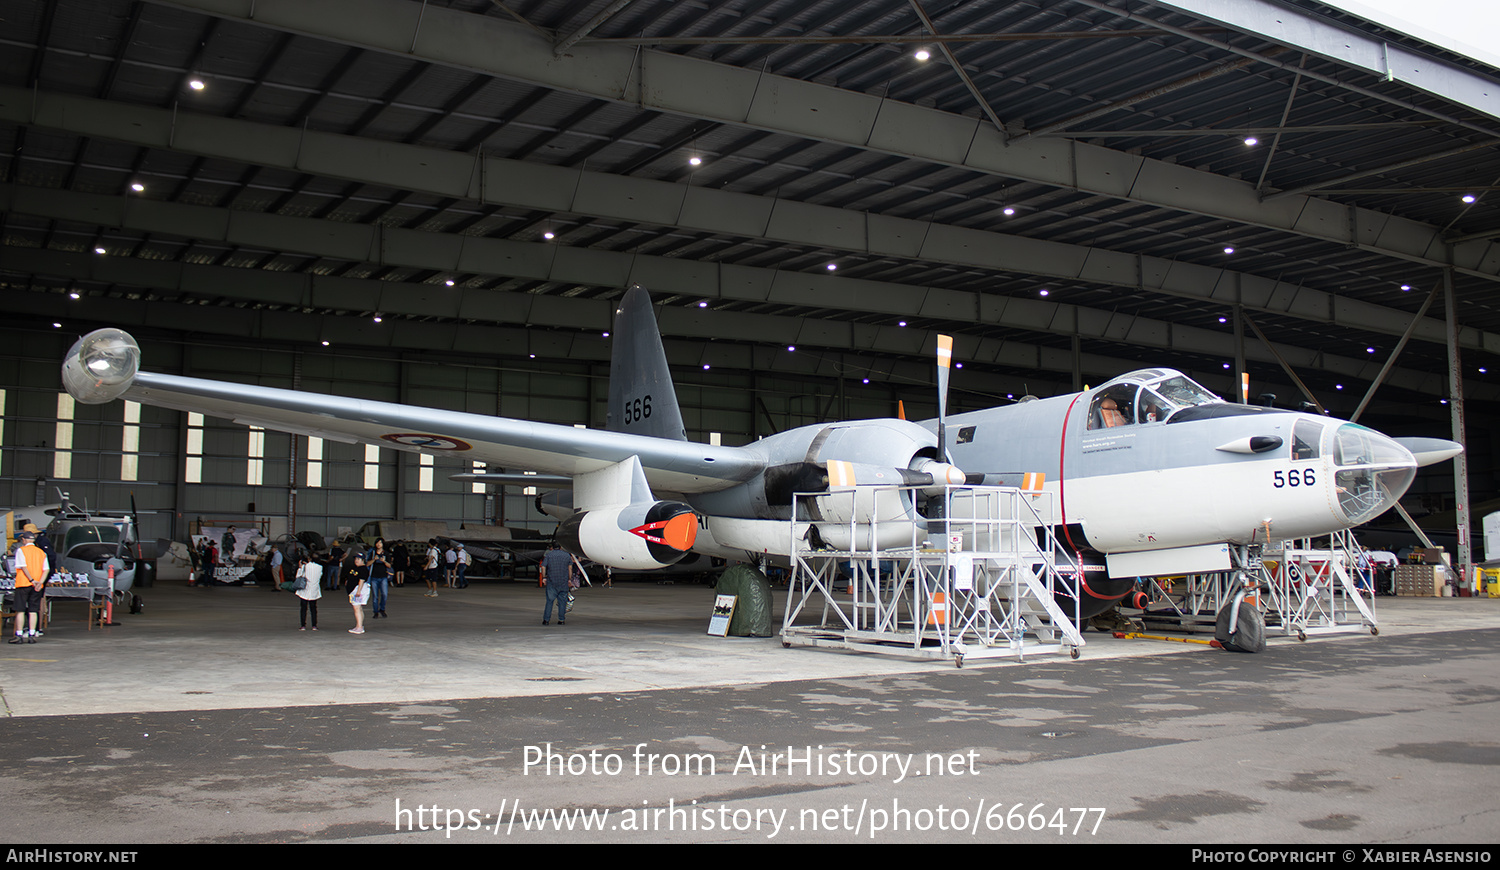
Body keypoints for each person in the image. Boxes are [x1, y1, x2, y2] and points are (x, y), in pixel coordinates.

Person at [9, 530, 48, 644]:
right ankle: (32, 634)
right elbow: (46, 569)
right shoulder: (41, 552)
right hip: (37, 586)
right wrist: (39, 582)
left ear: (24, 540)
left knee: (20, 610)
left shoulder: (21, 550)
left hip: (23, 583)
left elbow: (23, 567)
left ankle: (19, 635)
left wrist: (31, 580)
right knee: (33, 610)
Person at [540, 542, 573, 626]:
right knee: (562, 602)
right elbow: (570, 568)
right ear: (561, 547)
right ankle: (561, 620)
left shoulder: (549, 555)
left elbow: (543, 566)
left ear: (552, 547)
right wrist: (569, 579)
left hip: (551, 582)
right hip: (563, 582)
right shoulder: (567, 556)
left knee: (549, 601)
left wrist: (544, 578)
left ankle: (546, 620)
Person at [294, 554, 323, 630]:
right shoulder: (320, 567)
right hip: (314, 590)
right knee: (313, 608)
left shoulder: (305, 567)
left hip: (305, 590)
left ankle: (303, 625)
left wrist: (300, 568)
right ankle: (314, 625)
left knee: (303, 608)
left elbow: (298, 576)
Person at [347, 553, 370, 635]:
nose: (356, 561)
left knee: (356, 608)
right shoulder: (355, 568)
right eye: (355, 559)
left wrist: (358, 592)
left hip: (357, 590)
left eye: (358, 559)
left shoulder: (363, 569)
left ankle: (359, 627)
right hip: (353, 590)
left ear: (363, 560)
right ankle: (359, 625)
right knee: (358, 608)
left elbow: (361, 580)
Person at [368, 539, 391, 619]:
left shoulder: (386, 553)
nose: (378, 544)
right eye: (377, 543)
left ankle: (382, 609)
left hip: (383, 577)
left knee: (384, 594)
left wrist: (384, 561)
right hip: (374, 577)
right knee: (375, 596)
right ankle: (375, 611)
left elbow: (389, 566)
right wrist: (374, 559)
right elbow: (367, 563)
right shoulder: (373, 553)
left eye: (380, 543)